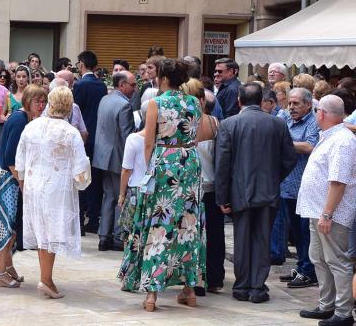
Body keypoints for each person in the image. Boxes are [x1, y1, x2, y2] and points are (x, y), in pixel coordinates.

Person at [119, 58, 214, 312]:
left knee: (158, 223)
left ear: (162, 78)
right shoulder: (195, 102)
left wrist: (152, 166)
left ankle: (151, 295)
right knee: (188, 225)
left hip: (165, 161)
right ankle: (190, 290)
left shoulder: (155, 103)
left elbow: (148, 142)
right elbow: (197, 135)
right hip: (190, 163)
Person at [215, 82, 296, 304]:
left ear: (240, 101)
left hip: (239, 191)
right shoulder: (277, 124)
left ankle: (242, 286)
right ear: (261, 101)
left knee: (241, 240)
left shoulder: (229, 124)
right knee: (262, 239)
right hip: (267, 191)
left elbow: (222, 164)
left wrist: (222, 196)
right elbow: (289, 159)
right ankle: (257, 287)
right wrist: (273, 178)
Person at [15, 86, 88, 298]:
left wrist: (24, 184)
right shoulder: (70, 131)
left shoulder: (32, 126)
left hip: (33, 186)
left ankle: (46, 277)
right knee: (51, 232)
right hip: (57, 188)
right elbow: (81, 168)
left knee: (42, 232)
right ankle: (46, 279)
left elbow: (20, 160)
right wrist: (82, 180)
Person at [297, 95, 356, 326]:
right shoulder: (331, 136)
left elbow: (338, 181)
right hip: (318, 210)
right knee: (319, 258)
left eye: (316, 111)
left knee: (337, 261)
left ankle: (343, 312)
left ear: (321, 113)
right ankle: (327, 304)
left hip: (331, 214)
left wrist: (327, 214)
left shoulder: (342, 140)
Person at [0, 85, 47, 288]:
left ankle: (8, 268)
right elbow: (11, 157)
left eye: (43, 101)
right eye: (37, 101)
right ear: (27, 100)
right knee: (8, 227)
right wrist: (23, 186)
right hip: (9, 180)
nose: (41, 105)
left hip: (10, 177)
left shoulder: (24, 118)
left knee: (13, 227)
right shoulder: (20, 120)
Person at [276, 87, 322, 290]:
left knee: (305, 233)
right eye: (290, 103)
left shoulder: (313, 122)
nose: (291, 107)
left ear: (308, 105)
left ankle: (308, 272)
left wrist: (285, 142)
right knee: (295, 232)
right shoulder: (286, 119)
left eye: (296, 104)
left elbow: (310, 146)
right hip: (286, 186)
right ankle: (301, 266)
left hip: (303, 187)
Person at [183, 79, 223, 295]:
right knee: (215, 234)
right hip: (211, 184)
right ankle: (213, 278)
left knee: (190, 234)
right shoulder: (215, 122)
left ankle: (192, 278)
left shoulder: (179, 122)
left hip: (189, 187)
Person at [92, 70, 135, 251]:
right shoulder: (124, 105)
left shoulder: (105, 99)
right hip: (117, 156)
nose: (135, 88)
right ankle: (118, 236)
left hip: (102, 155)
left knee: (109, 195)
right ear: (121, 85)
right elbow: (128, 137)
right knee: (120, 197)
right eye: (132, 85)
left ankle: (104, 236)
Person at [73, 50, 107, 235]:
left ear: (81, 64)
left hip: (83, 137)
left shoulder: (80, 85)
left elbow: (76, 111)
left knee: (82, 178)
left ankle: (83, 216)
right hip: (97, 136)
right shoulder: (101, 85)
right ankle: (94, 217)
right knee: (95, 179)